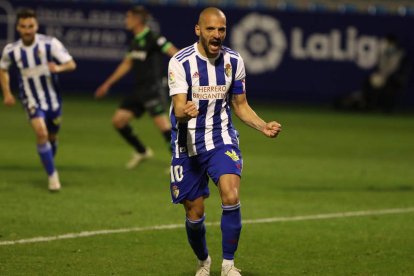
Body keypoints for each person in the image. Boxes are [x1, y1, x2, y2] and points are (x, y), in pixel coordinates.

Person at [168, 7, 282, 276]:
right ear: (199, 30)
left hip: (221, 139)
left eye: (221, 29)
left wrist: (262, 125)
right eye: (210, 29)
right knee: (194, 214)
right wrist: (186, 110)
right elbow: (178, 106)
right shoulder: (180, 61)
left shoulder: (234, 61)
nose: (217, 35)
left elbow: (240, 105)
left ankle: (229, 265)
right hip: (187, 144)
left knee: (231, 194)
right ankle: (203, 261)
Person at [0, 8, 76, 191]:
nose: (27, 30)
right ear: (18, 28)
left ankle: (49, 161)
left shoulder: (50, 44)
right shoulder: (12, 50)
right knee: (41, 133)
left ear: (36, 26)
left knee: (51, 137)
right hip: (31, 99)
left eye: (31, 26)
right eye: (23, 26)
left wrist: (57, 69)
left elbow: (71, 64)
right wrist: (7, 93)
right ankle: (53, 176)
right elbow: (3, 69)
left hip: (53, 100)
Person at [95, 6, 178, 169]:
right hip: (140, 90)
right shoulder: (135, 41)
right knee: (118, 121)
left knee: (164, 126)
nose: (126, 20)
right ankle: (142, 151)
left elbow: (175, 53)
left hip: (153, 89)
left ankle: (179, 162)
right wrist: (108, 83)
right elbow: (127, 63)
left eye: (128, 17)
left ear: (137, 20)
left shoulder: (153, 38)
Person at [334, 34, 411, 113]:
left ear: (395, 43)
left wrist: (386, 76)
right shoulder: (384, 53)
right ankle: (369, 105)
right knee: (368, 82)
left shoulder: (400, 54)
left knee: (389, 86)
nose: (388, 44)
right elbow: (380, 67)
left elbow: (396, 68)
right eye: (388, 42)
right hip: (382, 76)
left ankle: (387, 108)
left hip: (393, 78)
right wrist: (380, 75)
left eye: (390, 42)